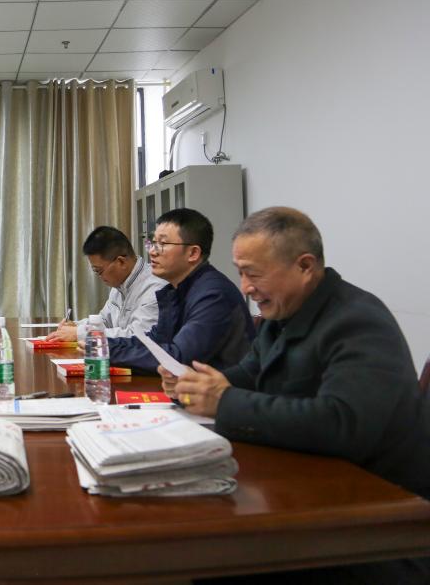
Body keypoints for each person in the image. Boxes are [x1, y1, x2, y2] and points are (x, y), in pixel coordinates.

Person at [165, 207, 430, 584]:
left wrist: (224, 402)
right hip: (308, 490)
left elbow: (342, 422)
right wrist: (195, 385)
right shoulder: (282, 315)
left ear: (305, 266)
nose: (245, 287)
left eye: (253, 274)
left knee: (209, 554)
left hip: (377, 524)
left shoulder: (357, 321)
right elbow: (250, 374)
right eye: (240, 272)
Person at [108, 208, 254, 371]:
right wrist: (102, 344)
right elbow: (154, 342)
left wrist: (107, 351)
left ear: (193, 253)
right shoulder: (176, 290)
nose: (152, 252)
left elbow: (177, 359)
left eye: (162, 244)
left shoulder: (213, 295)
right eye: (152, 243)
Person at [44, 226, 166, 342]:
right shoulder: (120, 284)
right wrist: (77, 326)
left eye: (99, 271)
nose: (99, 277)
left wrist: (79, 333)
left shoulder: (155, 287)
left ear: (121, 262)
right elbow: (105, 321)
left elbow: (139, 337)